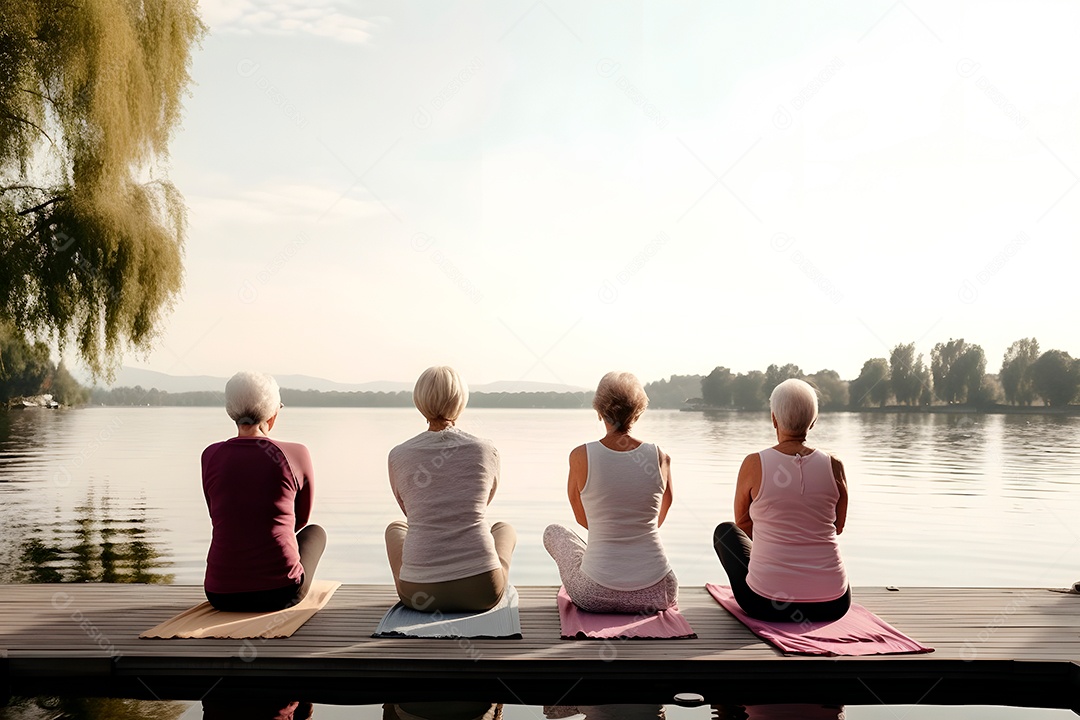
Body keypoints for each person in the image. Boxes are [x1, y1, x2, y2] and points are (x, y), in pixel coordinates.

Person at [713, 378, 850, 622]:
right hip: (833, 604)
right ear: (814, 421)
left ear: (774, 419)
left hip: (766, 604)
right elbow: (838, 527)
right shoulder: (835, 466)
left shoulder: (754, 464)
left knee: (725, 532)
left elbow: (743, 525)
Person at [544, 371, 678, 614]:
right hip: (661, 592)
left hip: (595, 595)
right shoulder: (661, 457)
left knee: (553, 532)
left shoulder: (580, 456)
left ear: (598, 411)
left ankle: (597, 561)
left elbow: (581, 518)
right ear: (638, 413)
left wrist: (609, 534)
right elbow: (659, 516)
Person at [385, 366, 516, 612]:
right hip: (483, 592)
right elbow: (482, 503)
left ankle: (413, 576)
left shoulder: (398, 455)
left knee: (396, 528)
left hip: (418, 595)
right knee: (503, 529)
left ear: (419, 401)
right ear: (461, 401)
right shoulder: (486, 450)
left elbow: (409, 510)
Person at [202, 371, 326, 612]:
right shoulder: (296, 454)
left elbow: (217, 515)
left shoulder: (210, 455)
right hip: (281, 592)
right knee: (316, 532)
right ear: (273, 414)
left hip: (219, 594)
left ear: (231, 412)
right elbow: (301, 520)